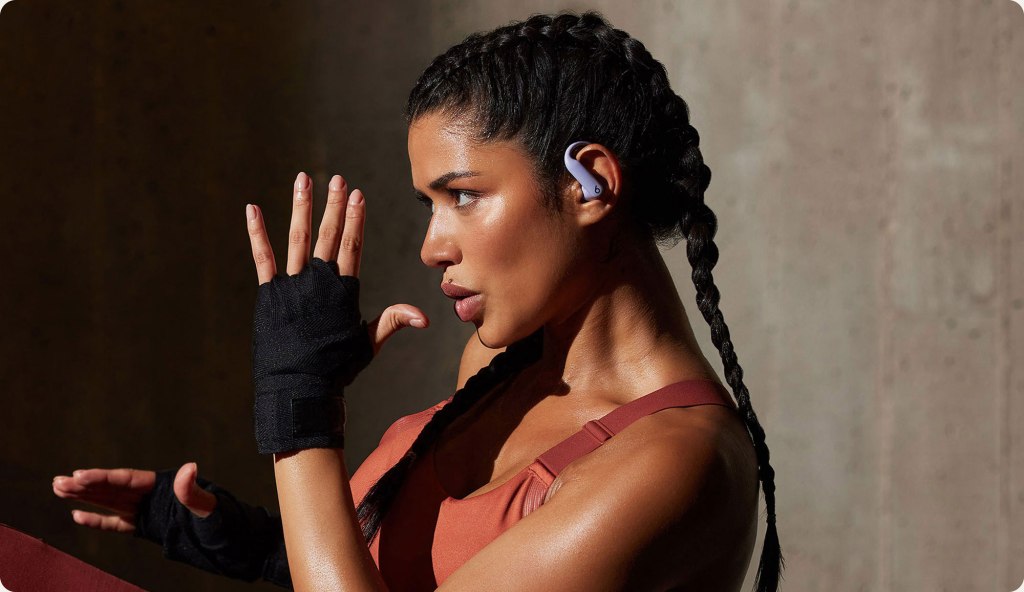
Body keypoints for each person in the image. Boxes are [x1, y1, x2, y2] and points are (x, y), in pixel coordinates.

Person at [53, 10, 783, 591]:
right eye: (429, 205)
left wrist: (298, 409)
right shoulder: (495, 366)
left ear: (587, 184)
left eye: (463, 196)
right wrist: (253, 547)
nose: (433, 246)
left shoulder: (674, 462)